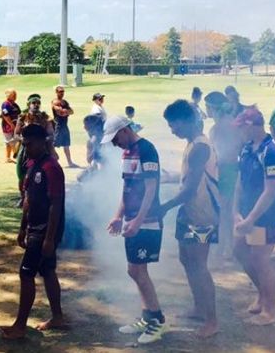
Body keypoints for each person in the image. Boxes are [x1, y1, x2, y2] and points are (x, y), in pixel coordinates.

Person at [103, 115, 166, 344]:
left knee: (138, 271)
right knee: (134, 270)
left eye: (115, 138)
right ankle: (147, 315)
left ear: (125, 130)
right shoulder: (127, 152)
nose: (114, 143)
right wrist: (118, 215)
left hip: (147, 222)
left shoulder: (147, 149)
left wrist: (139, 220)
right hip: (132, 221)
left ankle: (157, 321)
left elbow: (151, 188)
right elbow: (127, 186)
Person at [160, 99, 220, 338]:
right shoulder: (192, 144)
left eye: (173, 125)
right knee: (187, 260)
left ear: (185, 121)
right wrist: (170, 177)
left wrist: (164, 206)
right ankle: (199, 307)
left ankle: (212, 321)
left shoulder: (200, 147)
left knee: (199, 266)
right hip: (189, 213)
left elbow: (190, 189)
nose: (172, 130)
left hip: (202, 216)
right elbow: (190, 178)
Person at [2, 125, 66, 340]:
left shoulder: (51, 167)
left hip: (45, 230)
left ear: (41, 142)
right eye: (24, 144)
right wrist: (22, 228)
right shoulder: (31, 165)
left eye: (29, 144)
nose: (25, 148)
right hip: (34, 228)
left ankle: (20, 326)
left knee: (26, 273)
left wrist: (49, 238)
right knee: (47, 270)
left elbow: (56, 204)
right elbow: (28, 199)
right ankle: (58, 317)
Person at [233, 107, 275, 326]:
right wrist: (236, 211)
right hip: (247, 214)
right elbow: (240, 182)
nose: (238, 134)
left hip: (269, 217)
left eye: (240, 129)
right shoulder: (246, 148)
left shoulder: (272, 151)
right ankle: (262, 294)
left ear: (250, 126)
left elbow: (271, 191)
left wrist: (251, 219)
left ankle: (270, 310)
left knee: (260, 260)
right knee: (239, 251)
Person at [204, 91, 244, 260]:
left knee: (221, 213)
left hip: (223, 171)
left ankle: (222, 249)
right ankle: (230, 247)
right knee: (230, 211)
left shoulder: (216, 129)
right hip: (236, 170)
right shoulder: (234, 123)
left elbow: (216, 155)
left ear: (212, 108)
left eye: (207, 107)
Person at [51, 86, 79, 168]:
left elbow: (71, 111)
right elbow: (60, 112)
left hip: (65, 126)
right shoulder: (54, 102)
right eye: (60, 91)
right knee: (53, 145)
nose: (62, 93)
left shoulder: (65, 102)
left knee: (66, 145)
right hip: (58, 126)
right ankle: (52, 162)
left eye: (63, 91)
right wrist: (65, 111)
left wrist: (66, 111)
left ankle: (70, 162)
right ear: (56, 92)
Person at [0, 89, 21, 163]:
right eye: (14, 95)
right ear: (9, 96)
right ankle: (18, 157)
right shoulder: (5, 104)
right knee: (11, 141)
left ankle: (8, 158)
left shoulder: (14, 104)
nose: (15, 96)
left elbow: (19, 114)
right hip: (8, 126)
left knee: (9, 142)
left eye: (16, 95)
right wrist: (12, 125)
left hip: (16, 125)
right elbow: (6, 116)